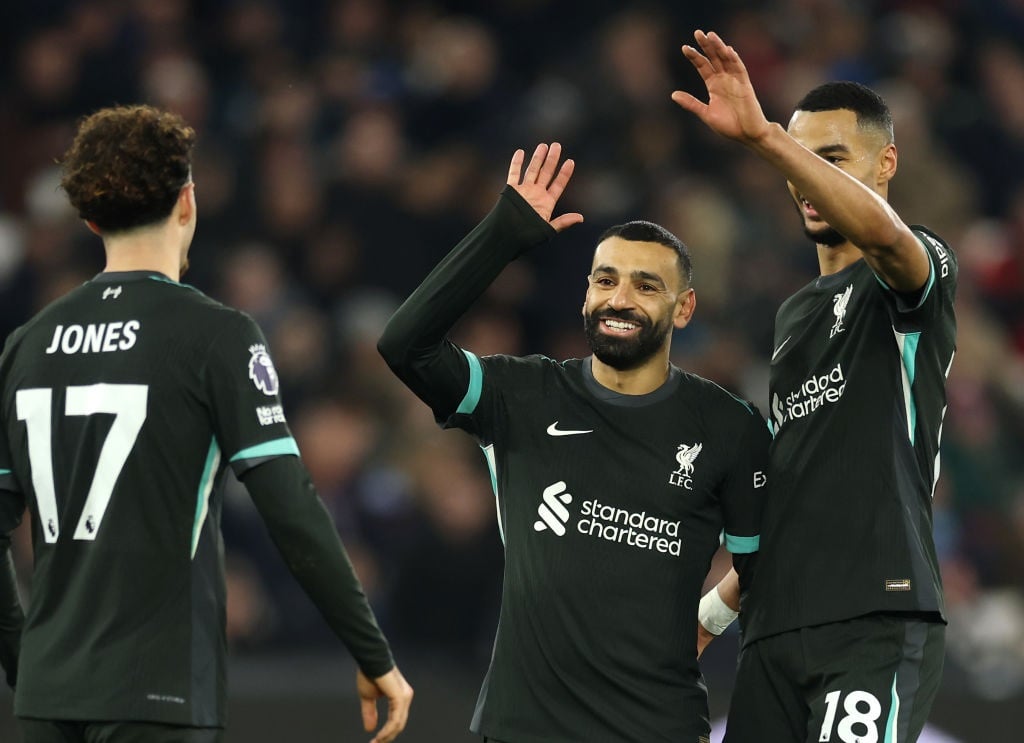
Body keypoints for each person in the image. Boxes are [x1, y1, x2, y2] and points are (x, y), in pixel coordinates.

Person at [0, 105, 413, 743]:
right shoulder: (216, 336)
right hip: (157, 691)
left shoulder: (26, 345)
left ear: (89, 217)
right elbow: (291, 508)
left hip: (45, 698)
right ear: (188, 201)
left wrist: (23, 666)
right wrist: (372, 651)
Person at [377, 141, 770, 743]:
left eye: (645, 286)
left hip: (656, 730)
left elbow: (763, 566)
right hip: (522, 728)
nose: (619, 299)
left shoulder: (729, 426)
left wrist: (704, 623)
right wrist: (503, 234)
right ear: (585, 293)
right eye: (605, 280)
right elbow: (405, 345)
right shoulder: (522, 395)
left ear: (683, 307)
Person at [673, 31, 956, 743]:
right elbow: (794, 491)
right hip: (775, 633)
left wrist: (768, 137)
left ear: (885, 162)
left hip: (874, 619)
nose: (803, 179)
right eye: (797, 161)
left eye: (829, 159)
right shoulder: (794, 315)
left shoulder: (916, 271)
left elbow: (889, 241)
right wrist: (710, 617)